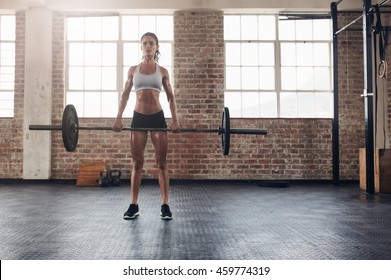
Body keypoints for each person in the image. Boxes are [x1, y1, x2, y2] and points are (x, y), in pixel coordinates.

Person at [113, 32, 180, 220]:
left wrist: (175, 120)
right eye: (145, 43)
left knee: (162, 163)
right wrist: (118, 118)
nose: (148, 46)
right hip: (139, 118)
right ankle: (133, 205)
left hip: (158, 118)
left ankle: (165, 205)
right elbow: (124, 95)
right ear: (141, 47)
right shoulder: (133, 70)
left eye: (151, 43)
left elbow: (170, 97)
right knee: (137, 163)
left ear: (157, 46)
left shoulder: (163, 71)